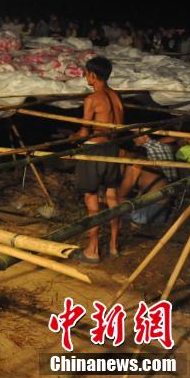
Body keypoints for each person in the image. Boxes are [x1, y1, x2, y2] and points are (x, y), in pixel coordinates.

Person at [74, 56, 124, 263]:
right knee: (111, 197)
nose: (86, 77)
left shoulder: (92, 99)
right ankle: (113, 246)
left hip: (95, 150)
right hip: (112, 149)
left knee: (91, 198)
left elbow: (85, 132)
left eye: (86, 73)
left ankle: (92, 250)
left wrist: (72, 138)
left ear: (93, 75)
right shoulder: (116, 96)